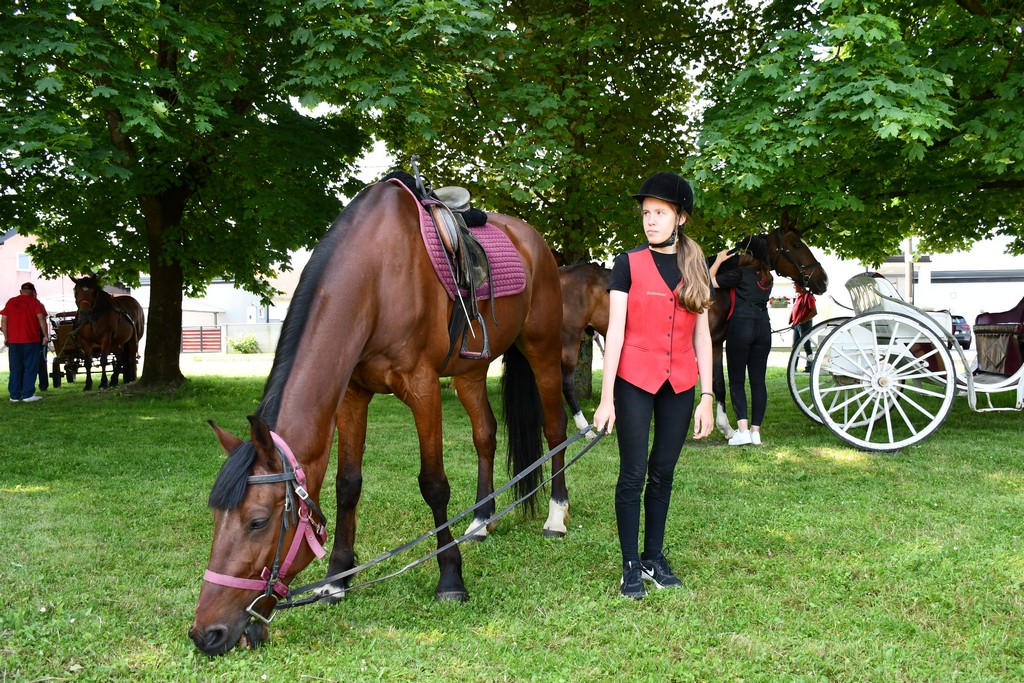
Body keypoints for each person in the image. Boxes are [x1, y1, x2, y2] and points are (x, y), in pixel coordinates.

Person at [593, 171, 715, 600]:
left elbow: (703, 335)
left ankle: (653, 557)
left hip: (681, 383)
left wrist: (707, 396)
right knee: (634, 474)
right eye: (646, 213)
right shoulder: (627, 264)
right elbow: (616, 335)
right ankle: (630, 565)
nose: (650, 220)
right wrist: (606, 399)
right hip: (634, 382)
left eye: (660, 213)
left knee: (663, 473)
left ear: (680, 217)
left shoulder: (696, 264)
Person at [709, 238, 774, 446]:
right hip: (764, 328)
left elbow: (710, 282)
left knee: (737, 380)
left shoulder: (739, 274)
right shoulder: (768, 278)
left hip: (741, 327)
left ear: (747, 254)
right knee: (758, 381)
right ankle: (756, 433)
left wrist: (718, 260)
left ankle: (743, 431)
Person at [2, 282, 49, 403]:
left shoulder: (11, 302)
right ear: (33, 292)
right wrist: (45, 335)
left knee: (15, 368)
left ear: (20, 291)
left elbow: (4, 321)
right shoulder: (35, 302)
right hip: (30, 340)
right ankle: (28, 394)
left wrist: (6, 337)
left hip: (13, 341)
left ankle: (14, 395)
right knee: (30, 367)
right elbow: (41, 318)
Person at [790, 283, 817, 372]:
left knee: (806, 346)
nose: (793, 287)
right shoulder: (798, 296)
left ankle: (809, 367)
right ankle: (793, 367)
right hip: (797, 325)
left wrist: (803, 321)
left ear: (800, 286)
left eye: (795, 285)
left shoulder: (809, 297)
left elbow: (814, 312)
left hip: (805, 325)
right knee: (795, 347)